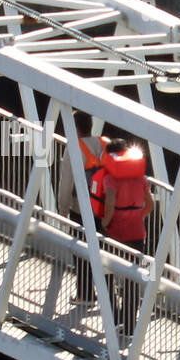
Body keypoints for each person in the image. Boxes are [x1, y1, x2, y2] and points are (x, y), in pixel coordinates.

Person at [99, 138, 154, 337]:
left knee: (106, 273)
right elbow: (151, 205)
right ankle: (130, 326)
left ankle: (115, 316)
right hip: (137, 232)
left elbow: (111, 202)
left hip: (116, 232)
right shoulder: (140, 178)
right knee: (133, 279)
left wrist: (105, 222)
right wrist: (138, 215)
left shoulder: (110, 178)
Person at [57, 111, 106, 304]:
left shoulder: (73, 148)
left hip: (80, 208)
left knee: (80, 251)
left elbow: (66, 183)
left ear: (75, 128)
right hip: (102, 207)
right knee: (98, 249)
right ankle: (101, 292)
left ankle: (84, 294)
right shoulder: (103, 145)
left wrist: (63, 209)